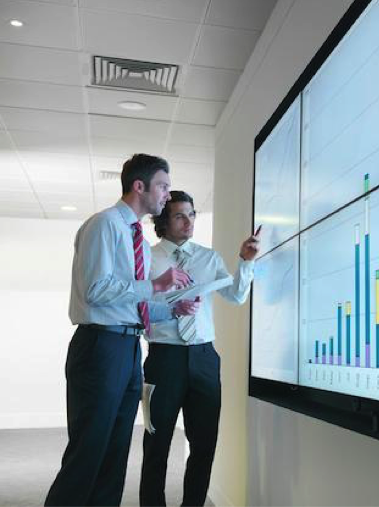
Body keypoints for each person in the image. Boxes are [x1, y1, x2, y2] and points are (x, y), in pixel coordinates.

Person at [45, 154, 200, 507]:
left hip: (128, 349)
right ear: (139, 186)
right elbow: (96, 290)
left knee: (115, 455)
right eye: (162, 185)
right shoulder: (104, 225)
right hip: (100, 346)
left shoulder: (139, 240)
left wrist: (173, 309)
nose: (166, 193)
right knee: (89, 451)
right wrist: (156, 286)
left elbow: (132, 304)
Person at [140, 190, 260, 507]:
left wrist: (245, 262)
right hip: (163, 357)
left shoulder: (209, 258)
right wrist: (167, 305)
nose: (188, 221)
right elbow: (134, 308)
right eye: (180, 215)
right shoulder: (147, 258)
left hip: (205, 358)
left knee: (204, 444)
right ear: (163, 220)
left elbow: (235, 296)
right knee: (157, 443)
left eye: (192, 214)